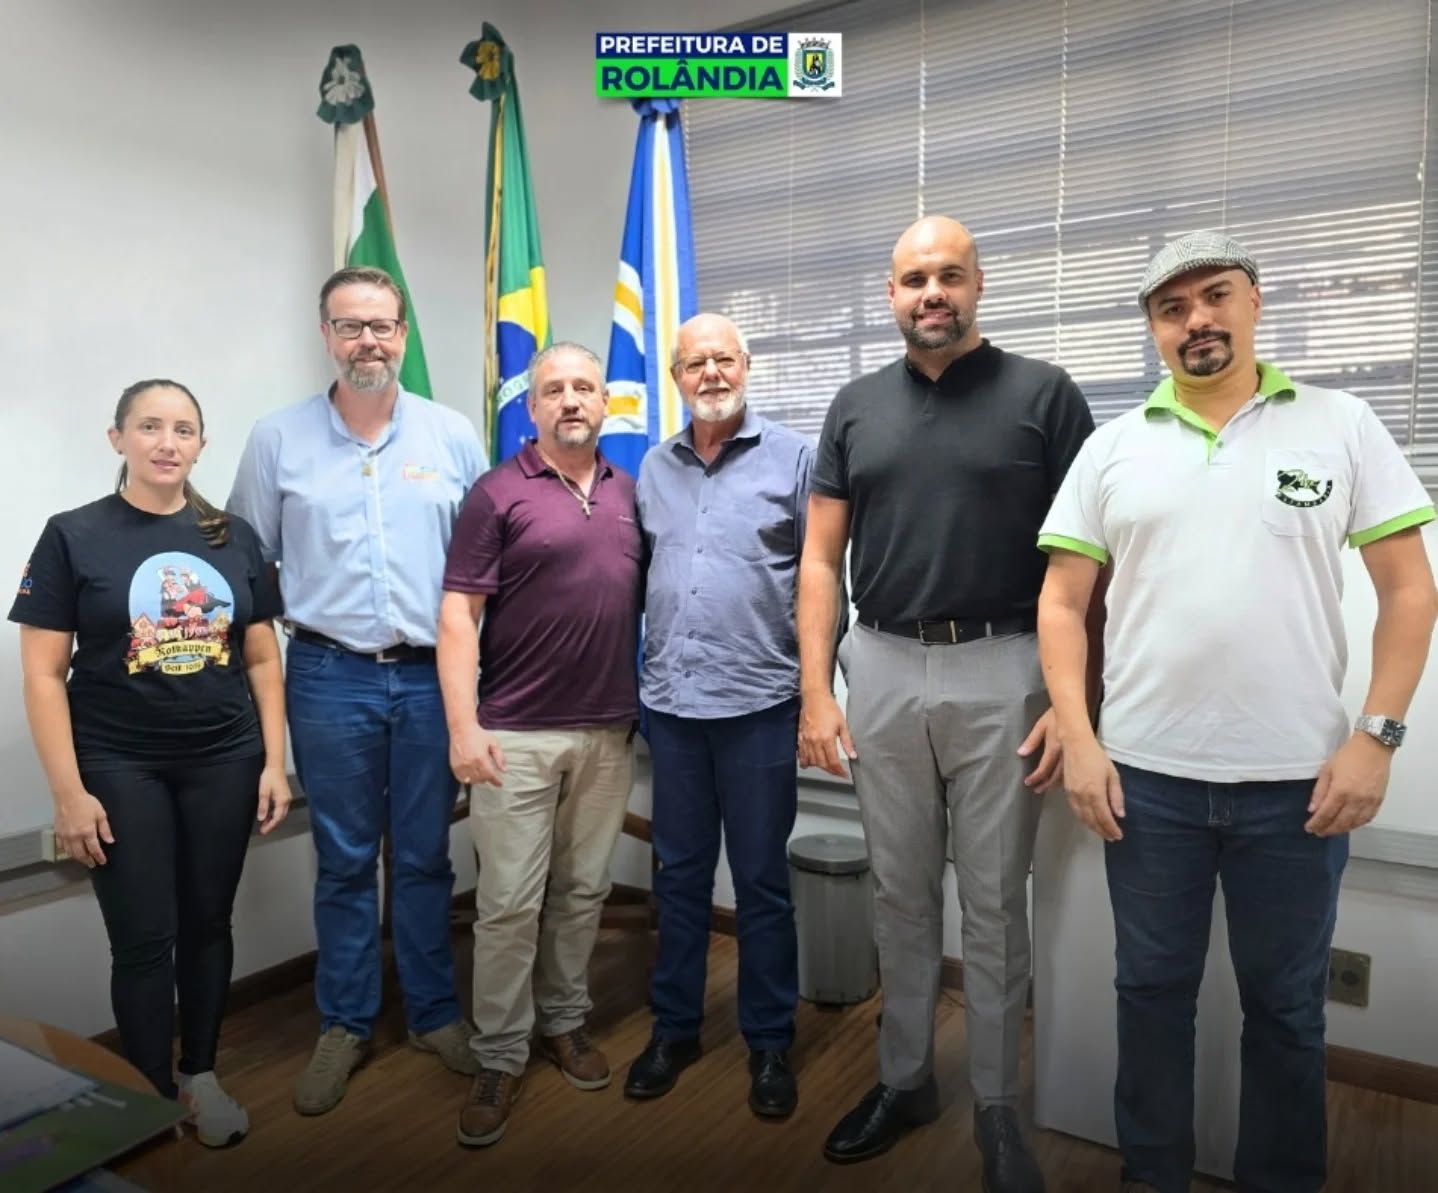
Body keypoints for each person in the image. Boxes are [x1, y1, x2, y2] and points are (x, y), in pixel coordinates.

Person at [1036, 229, 1438, 1193]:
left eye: (1215, 295)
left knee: (1288, 1009)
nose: (1197, 320)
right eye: (1171, 308)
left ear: (1254, 302)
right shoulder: (1112, 447)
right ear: (1153, 328)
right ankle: (1153, 1173)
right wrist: (1080, 740)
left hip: (1298, 788)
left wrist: (1376, 739)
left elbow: (1410, 591)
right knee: (1150, 993)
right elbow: (1061, 603)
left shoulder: (1341, 424)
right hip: (1147, 785)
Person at [798, 216, 1096, 1190]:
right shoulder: (853, 406)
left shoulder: (1044, 395)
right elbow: (819, 559)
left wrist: (1077, 702)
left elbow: (1087, 563)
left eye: (950, 275)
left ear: (978, 284)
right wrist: (816, 687)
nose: (933, 292)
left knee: (996, 901)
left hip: (1004, 666)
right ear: (891, 293)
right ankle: (905, 1079)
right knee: (900, 891)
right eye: (914, 278)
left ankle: (997, 1107)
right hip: (881, 665)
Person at [227, 266, 486, 1116]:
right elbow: (247, 565)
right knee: (342, 860)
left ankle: (435, 1012)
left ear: (403, 333)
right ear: (326, 334)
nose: (367, 340)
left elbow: (485, 566)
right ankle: (344, 1021)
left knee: (423, 855)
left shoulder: (452, 435)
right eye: (350, 325)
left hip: (430, 677)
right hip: (327, 674)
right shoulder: (277, 438)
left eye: (381, 325)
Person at [10, 378, 291, 1147]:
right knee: (142, 938)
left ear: (201, 444)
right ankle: (149, 1098)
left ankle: (200, 1075)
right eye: (149, 426)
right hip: (117, 762)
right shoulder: (73, 534)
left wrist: (274, 762)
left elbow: (262, 657)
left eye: (184, 429)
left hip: (224, 757)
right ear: (118, 439)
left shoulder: (232, 537)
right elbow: (42, 674)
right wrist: (68, 792)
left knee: (207, 922)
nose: (168, 442)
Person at [438, 342, 641, 1148]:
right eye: (553, 389)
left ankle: (563, 1020)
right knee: (509, 903)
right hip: (513, 734)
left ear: (605, 402)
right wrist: (463, 726)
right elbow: (458, 618)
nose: (570, 400)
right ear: (531, 407)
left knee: (584, 889)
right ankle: (499, 1053)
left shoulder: (629, 491)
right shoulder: (497, 492)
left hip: (609, 728)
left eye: (584, 387)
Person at [621, 313, 812, 1119]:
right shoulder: (652, 468)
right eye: (694, 362)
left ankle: (769, 1041)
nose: (711, 373)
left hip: (760, 706)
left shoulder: (794, 457)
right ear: (675, 376)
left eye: (723, 359)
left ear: (747, 364)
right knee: (680, 878)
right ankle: (675, 1028)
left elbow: (823, 583)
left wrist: (819, 694)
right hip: (672, 705)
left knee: (762, 882)